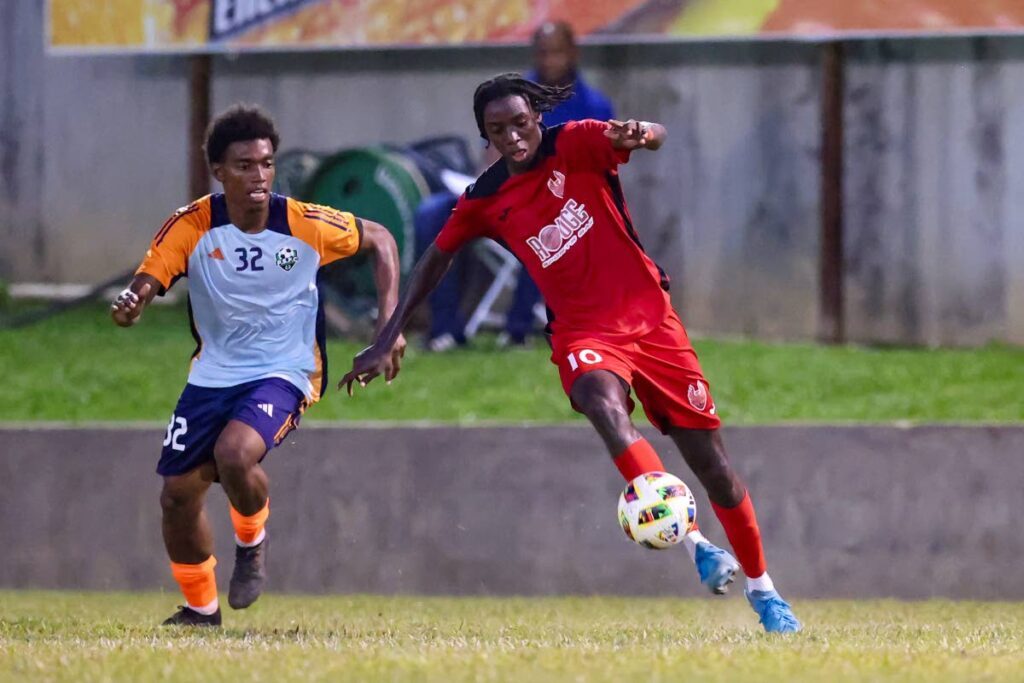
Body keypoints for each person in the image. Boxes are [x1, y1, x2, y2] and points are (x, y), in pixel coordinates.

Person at [343, 74, 801, 633]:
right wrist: (388, 334)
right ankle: (697, 545)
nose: (512, 137)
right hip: (582, 334)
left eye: (519, 123)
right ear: (484, 135)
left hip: (652, 324)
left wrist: (643, 131)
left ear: (537, 116)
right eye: (497, 130)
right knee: (601, 404)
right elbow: (434, 261)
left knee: (718, 472)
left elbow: (650, 135)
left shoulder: (578, 142)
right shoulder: (485, 198)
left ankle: (765, 592)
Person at [111, 104, 405, 627]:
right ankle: (202, 611)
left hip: (285, 370)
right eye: (245, 165)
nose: (259, 176)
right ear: (219, 172)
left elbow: (381, 238)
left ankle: (252, 542)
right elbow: (150, 275)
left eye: (267, 163)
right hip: (212, 374)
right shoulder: (194, 225)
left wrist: (388, 328)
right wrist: (134, 301)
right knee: (177, 498)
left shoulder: (302, 223)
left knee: (235, 454)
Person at [415, 20, 614, 351]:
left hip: (552, 206)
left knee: (548, 228)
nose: (548, 61)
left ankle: (518, 328)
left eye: (555, 53)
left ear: (572, 54)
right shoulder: (512, 95)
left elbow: (596, 171)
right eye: (541, 53)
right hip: (497, 195)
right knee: (431, 213)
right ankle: (445, 328)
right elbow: (492, 151)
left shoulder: (594, 107)